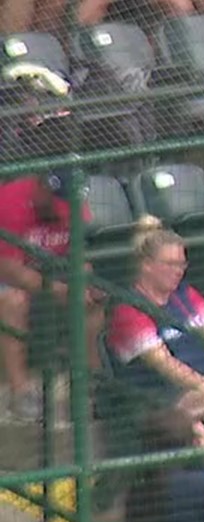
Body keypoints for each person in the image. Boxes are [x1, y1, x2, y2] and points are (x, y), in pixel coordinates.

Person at [107, 219, 204, 423]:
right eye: (171, 264)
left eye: (182, 264)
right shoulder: (129, 309)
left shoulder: (185, 294)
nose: (179, 271)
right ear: (146, 265)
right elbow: (168, 367)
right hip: (166, 396)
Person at [0, 161, 99, 420]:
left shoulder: (73, 199)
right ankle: (20, 392)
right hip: (10, 278)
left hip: (53, 275)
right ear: (42, 188)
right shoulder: (10, 200)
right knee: (12, 302)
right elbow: (7, 268)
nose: (62, 210)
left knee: (93, 300)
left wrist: (82, 283)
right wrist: (57, 289)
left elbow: (81, 255)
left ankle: (87, 385)